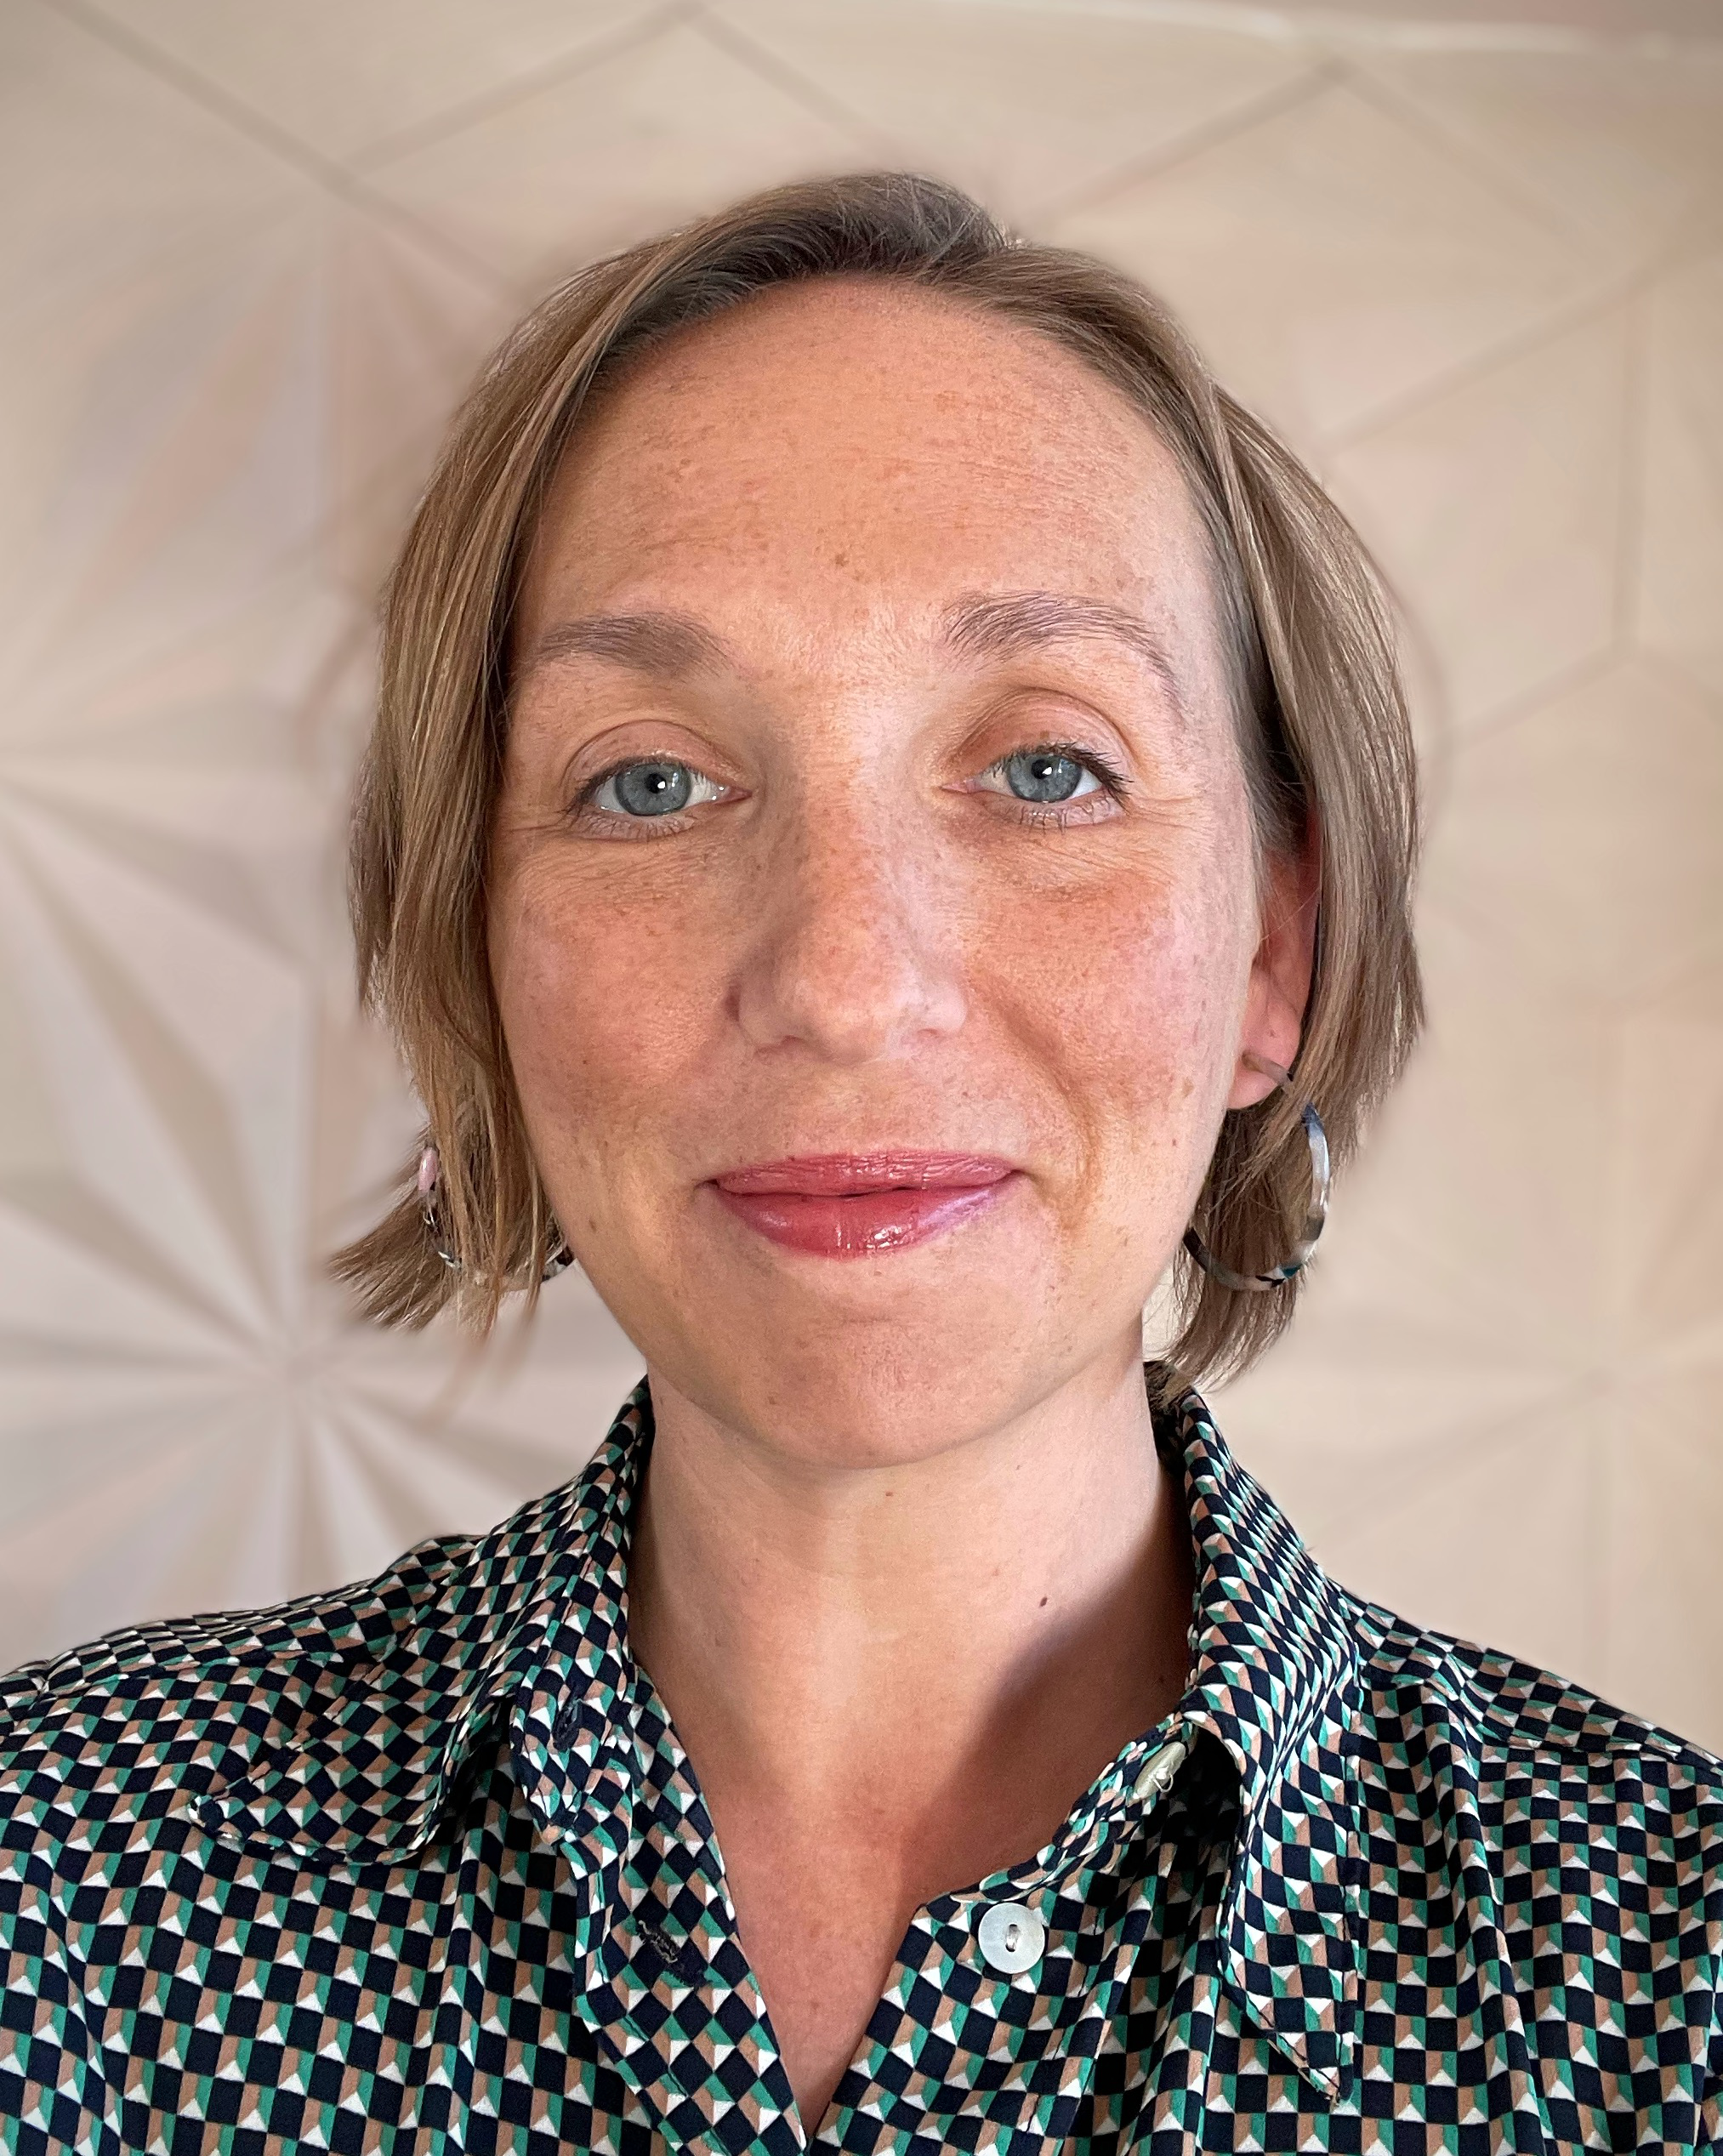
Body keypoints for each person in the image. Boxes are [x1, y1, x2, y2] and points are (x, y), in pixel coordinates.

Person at [1, 173, 1716, 2156]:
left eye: (1044, 767)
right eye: (647, 779)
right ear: (480, 943)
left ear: (1271, 950)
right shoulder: (53, 1893)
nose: (840, 979)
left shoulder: (1666, 1987)